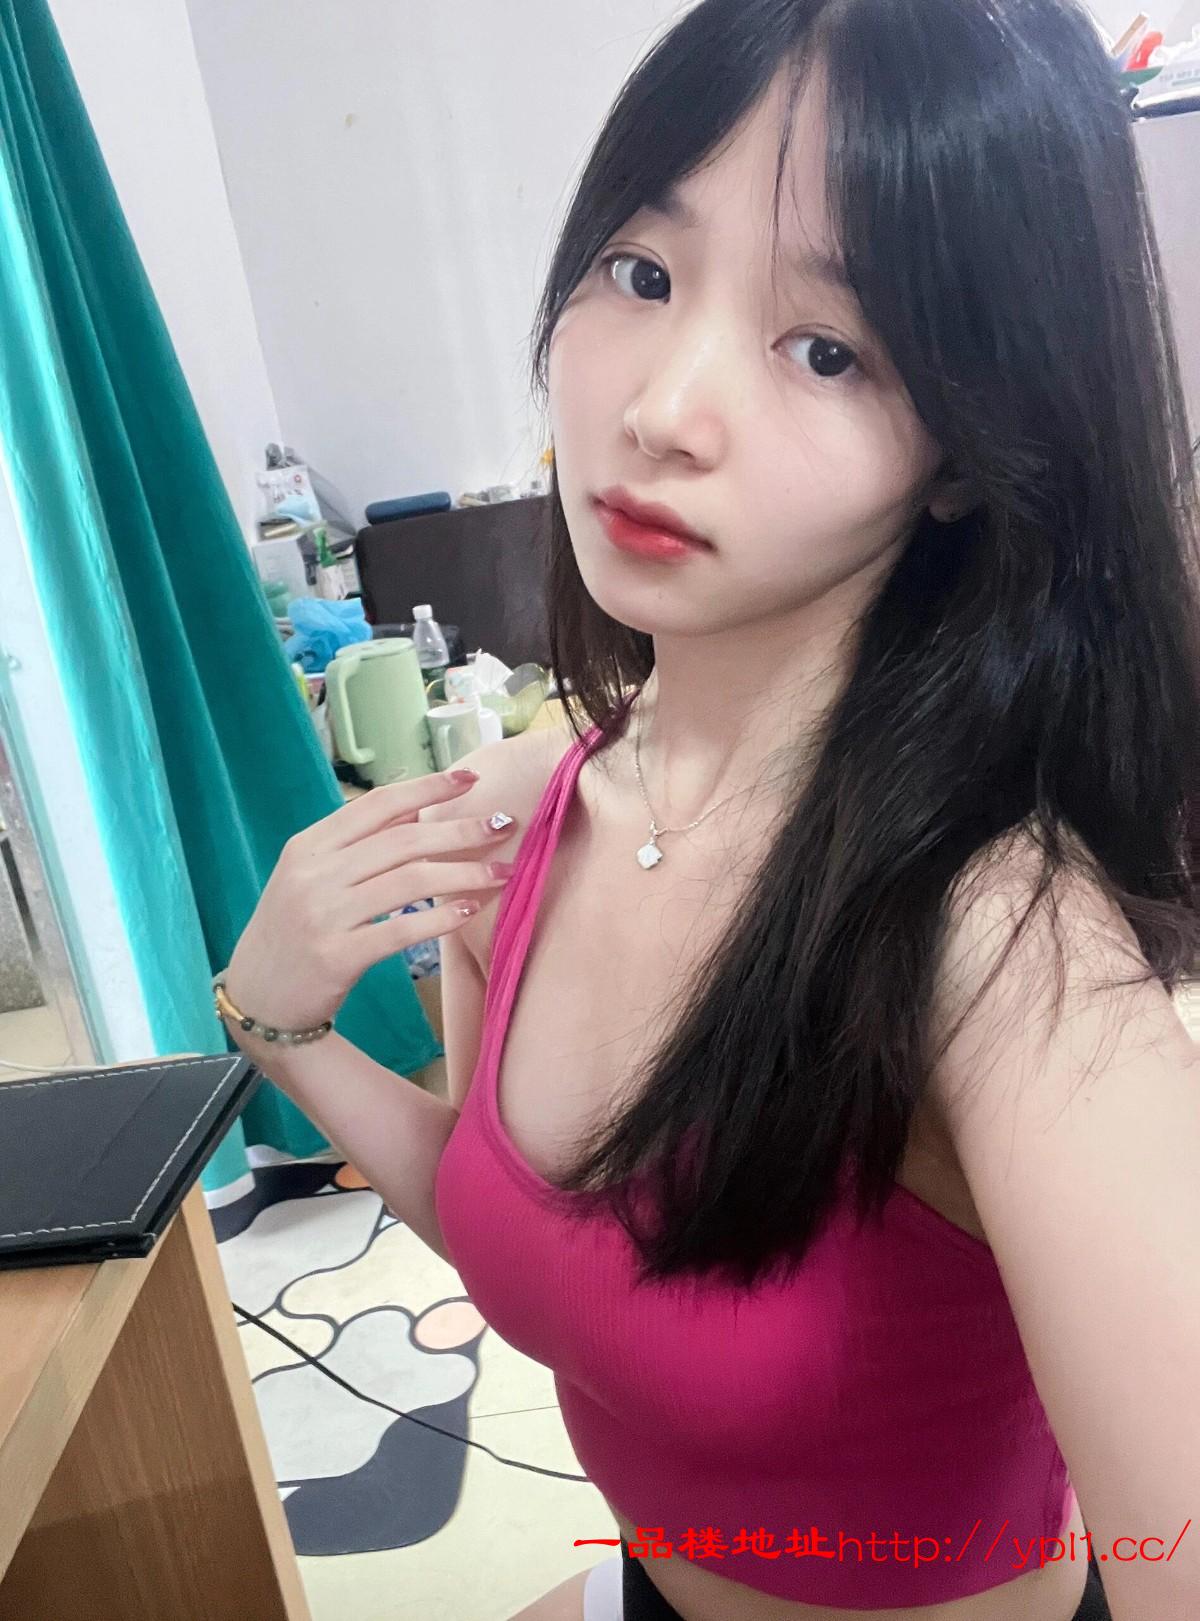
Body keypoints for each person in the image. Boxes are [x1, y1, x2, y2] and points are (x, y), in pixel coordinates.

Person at [216, 0, 1200, 1616]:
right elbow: (533, 1242)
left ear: (969, 445)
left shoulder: (1000, 943)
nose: (664, 407)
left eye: (827, 349)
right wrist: (280, 1026)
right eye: (642, 272)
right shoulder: (523, 812)